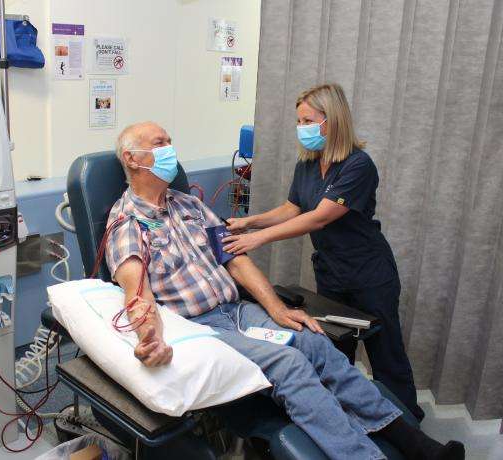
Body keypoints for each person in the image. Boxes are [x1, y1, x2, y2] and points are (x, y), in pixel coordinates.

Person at [103, 121, 464, 460]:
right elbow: (137, 294)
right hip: (201, 327)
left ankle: (416, 444)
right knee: (289, 363)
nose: (170, 150)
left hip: (239, 312)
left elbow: (236, 260)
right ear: (132, 159)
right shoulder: (126, 223)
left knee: (314, 343)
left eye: (169, 142)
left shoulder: (189, 205)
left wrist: (277, 309)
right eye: (159, 144)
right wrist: (150, 336)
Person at [222, 83, 424, 421]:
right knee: (336, 350)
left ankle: (407, 423)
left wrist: (258, 240)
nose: (301, 129)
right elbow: (292, 208)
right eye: (298, 122)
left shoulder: (358, 165)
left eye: (307, 121)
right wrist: (249, 223)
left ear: (330, 121)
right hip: (331, 271)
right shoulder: (308, 165)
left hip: (368, 271)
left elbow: (319, 217)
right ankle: (352, 417)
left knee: (386, 352)